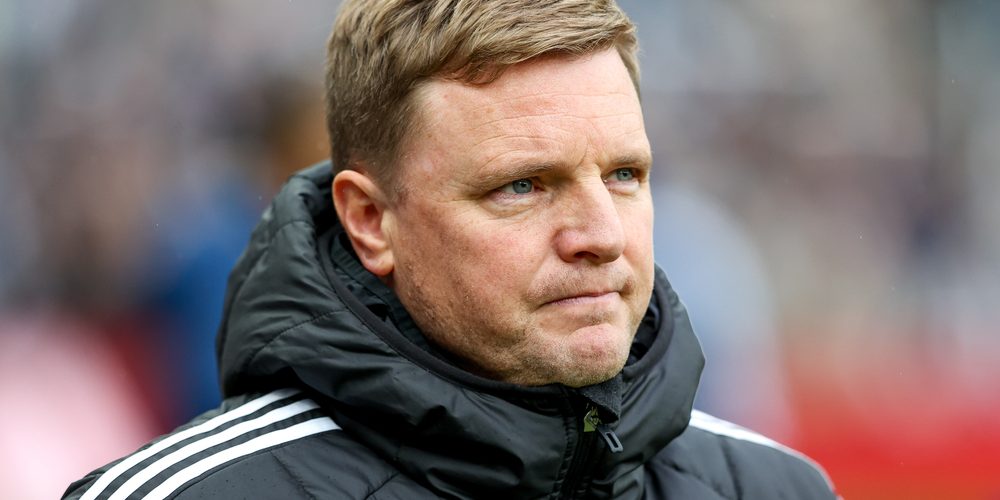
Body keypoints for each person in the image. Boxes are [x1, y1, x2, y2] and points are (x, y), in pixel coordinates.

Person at [64, 0, 836, 498]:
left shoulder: (773, 489)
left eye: (625, 174)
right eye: (524, 186)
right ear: (371, 220)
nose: (601, 235)